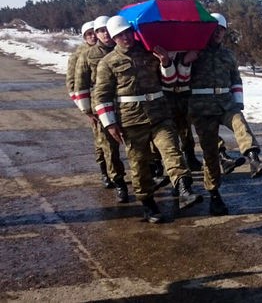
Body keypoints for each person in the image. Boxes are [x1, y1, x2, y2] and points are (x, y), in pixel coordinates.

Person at [93, 15, 203, 223]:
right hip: (131, 121)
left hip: (160, 114)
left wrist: (165, 62)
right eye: (119, 35)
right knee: (139, 163)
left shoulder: (149, 51)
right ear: (113, 38)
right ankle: (147, 203)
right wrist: (110, 124)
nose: (125, 37)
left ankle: (184, 189)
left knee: (172, 151)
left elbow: (169, 81)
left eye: (127, 32)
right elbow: (102, 95)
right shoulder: (108, 63)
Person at [183, 12, 262, 216]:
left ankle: (253, 159)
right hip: (202, 108)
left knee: (239, 121)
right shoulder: (194, 52)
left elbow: (235, 80)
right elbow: (179, 76)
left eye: (221, 30)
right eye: (214, 29)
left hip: (225, 103)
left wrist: (238, 103)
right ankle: (214, 195)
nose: (217, 33)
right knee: (211, 153)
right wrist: (186, 62)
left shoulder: (228, 55)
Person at [160, 51, 245, 175]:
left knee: (200, 127)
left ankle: (220, 157)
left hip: (187, 93)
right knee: (168, 134)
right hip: (166, 96)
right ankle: (160, 167)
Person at [74, 16, 127, 203]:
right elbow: (80, 84)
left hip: (124, 105)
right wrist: (87, 110)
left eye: (107, 30)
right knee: (109, 147)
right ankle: (118, 181)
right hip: (101, 107)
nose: (105, 34)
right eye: (100, 31)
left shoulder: (123, 49)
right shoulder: (88, 56)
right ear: (96, 34)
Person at [66, 21, 112, 188]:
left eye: (95, 32)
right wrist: (85, 110)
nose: (93, 36)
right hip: (93, 103)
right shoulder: (79, 55)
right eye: (89, 34)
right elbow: (74, 84)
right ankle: (104, 172)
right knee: (101, 140)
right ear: (84, 37)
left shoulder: (110, 49)